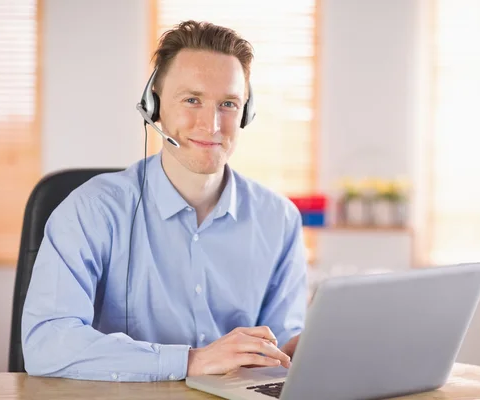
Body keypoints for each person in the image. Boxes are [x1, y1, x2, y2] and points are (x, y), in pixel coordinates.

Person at [21, 20, 308, 382]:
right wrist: (190, 361)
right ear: (153, 105)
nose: (212, 124)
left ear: (246, 113)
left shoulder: (279, 219)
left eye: (229, 104)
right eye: (192, 100)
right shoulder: (90, 211)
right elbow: (46, 344)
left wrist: (305, 350)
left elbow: (280, 346)